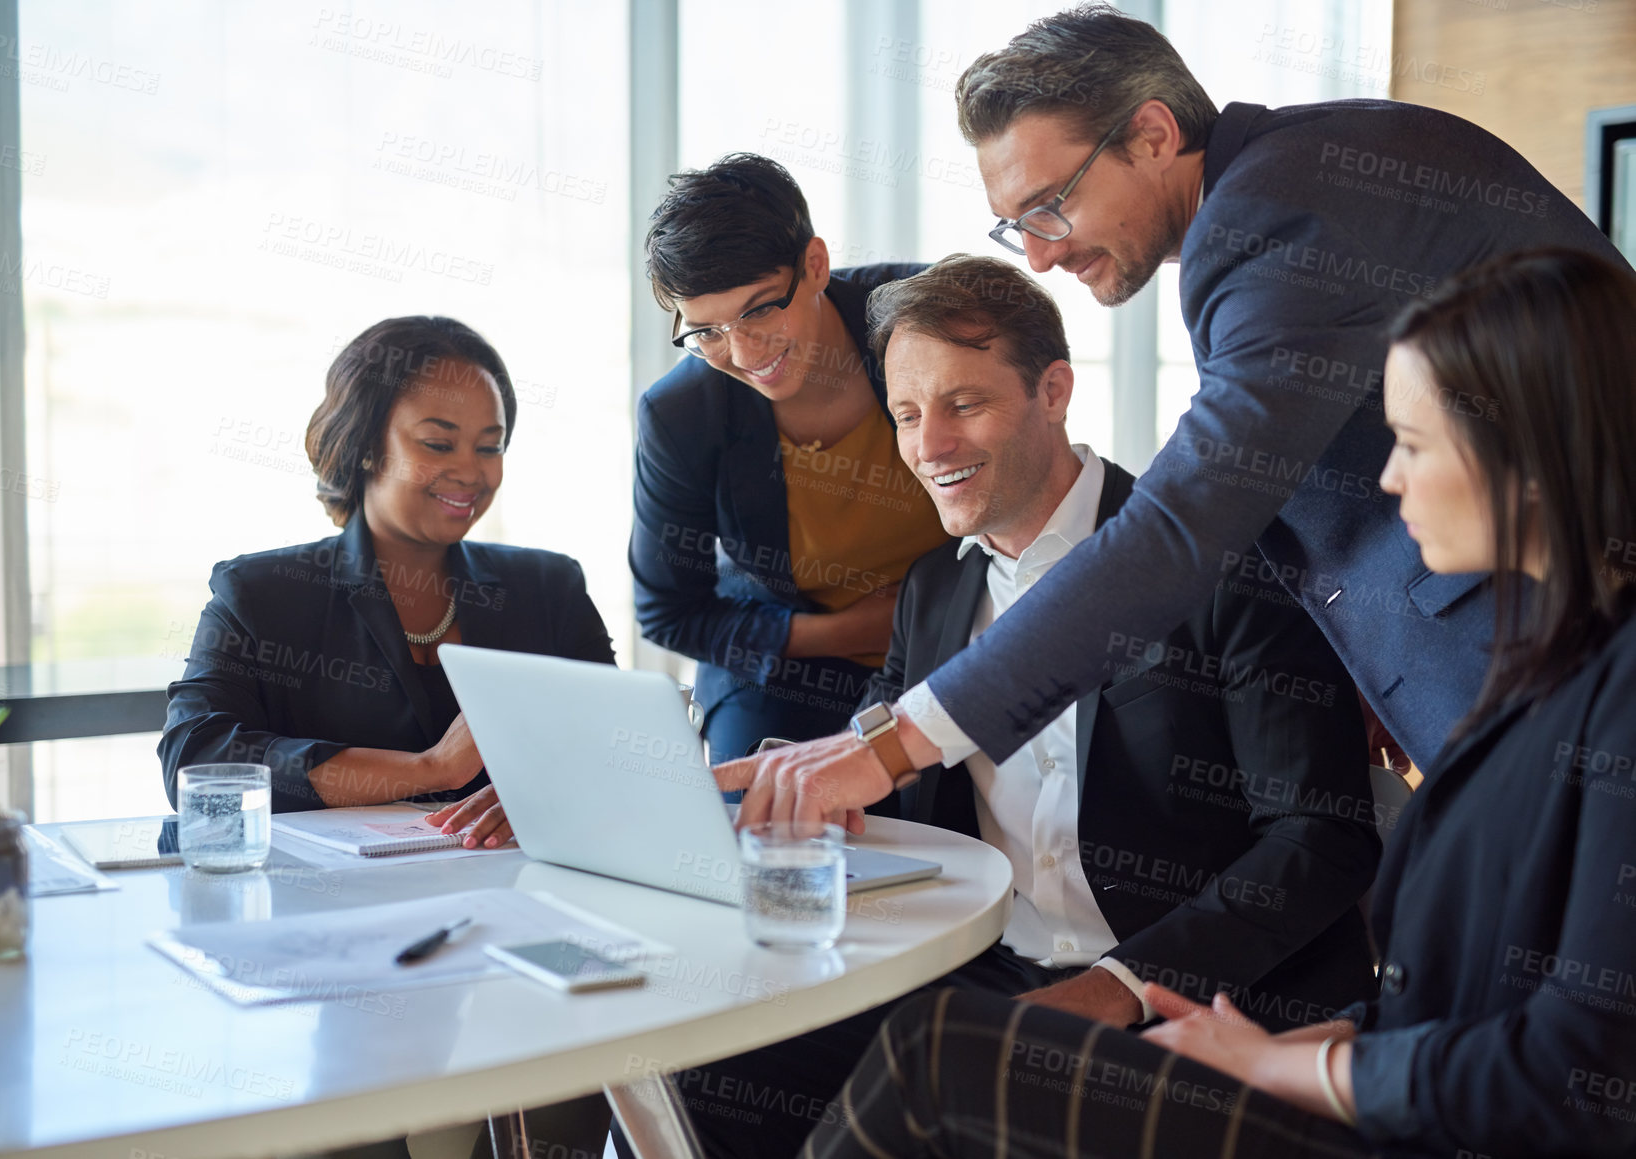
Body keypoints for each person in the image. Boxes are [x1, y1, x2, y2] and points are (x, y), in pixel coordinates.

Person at [716, 2, 1632, 833]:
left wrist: (893, 742)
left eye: (1049, 205)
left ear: (1151, 134)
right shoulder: (1286, 182)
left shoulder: (1275, 217)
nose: (1037, 255)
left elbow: (1188, 520)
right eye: (1014, 225)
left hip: (1571, 630)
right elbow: (1302, 467)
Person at [802, 247, 1636, 1159]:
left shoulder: (1598, 694)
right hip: (1336, 1064)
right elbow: (1444, 1002)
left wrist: (1276, 1059)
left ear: (1530, 452)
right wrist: (1291, 1052)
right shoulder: (1529, 669)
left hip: (1365, 1098)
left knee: (936, 1060)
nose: (1388, 481)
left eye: (1414, 443)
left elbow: (1566, 1065)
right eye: (908, 414)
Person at [672, 255, 1382, 1159]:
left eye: (963, 404)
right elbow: (874, 760)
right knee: (713, 1062)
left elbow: (1319, 840)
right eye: (905, 414)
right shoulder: (933, 590)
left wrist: (1114, 986)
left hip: (1199, 1004)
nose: (928, 446)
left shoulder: (1217, 565)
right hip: (988, 982)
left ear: (1054, 390)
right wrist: (717, 793)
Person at [159, 315, 615, 846]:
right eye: (439, 445)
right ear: (367, 447)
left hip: (519, 892)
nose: (471, 471)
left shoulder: (549, 588)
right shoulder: (262, 592)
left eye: (489, 447)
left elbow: (620, 750)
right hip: (327, 909)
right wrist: (431, 768)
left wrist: (552, 795)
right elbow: (196, 760)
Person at [629, 153, 950, 762]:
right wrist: (851, 631)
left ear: (815, 265)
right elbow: (670, 612)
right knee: (759, 827)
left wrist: (923, 621)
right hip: (786, 664)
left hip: (957, 642)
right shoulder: (681, 413)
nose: (744, 351)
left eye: (759, 309)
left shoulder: (928, 320)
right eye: (706, 331)